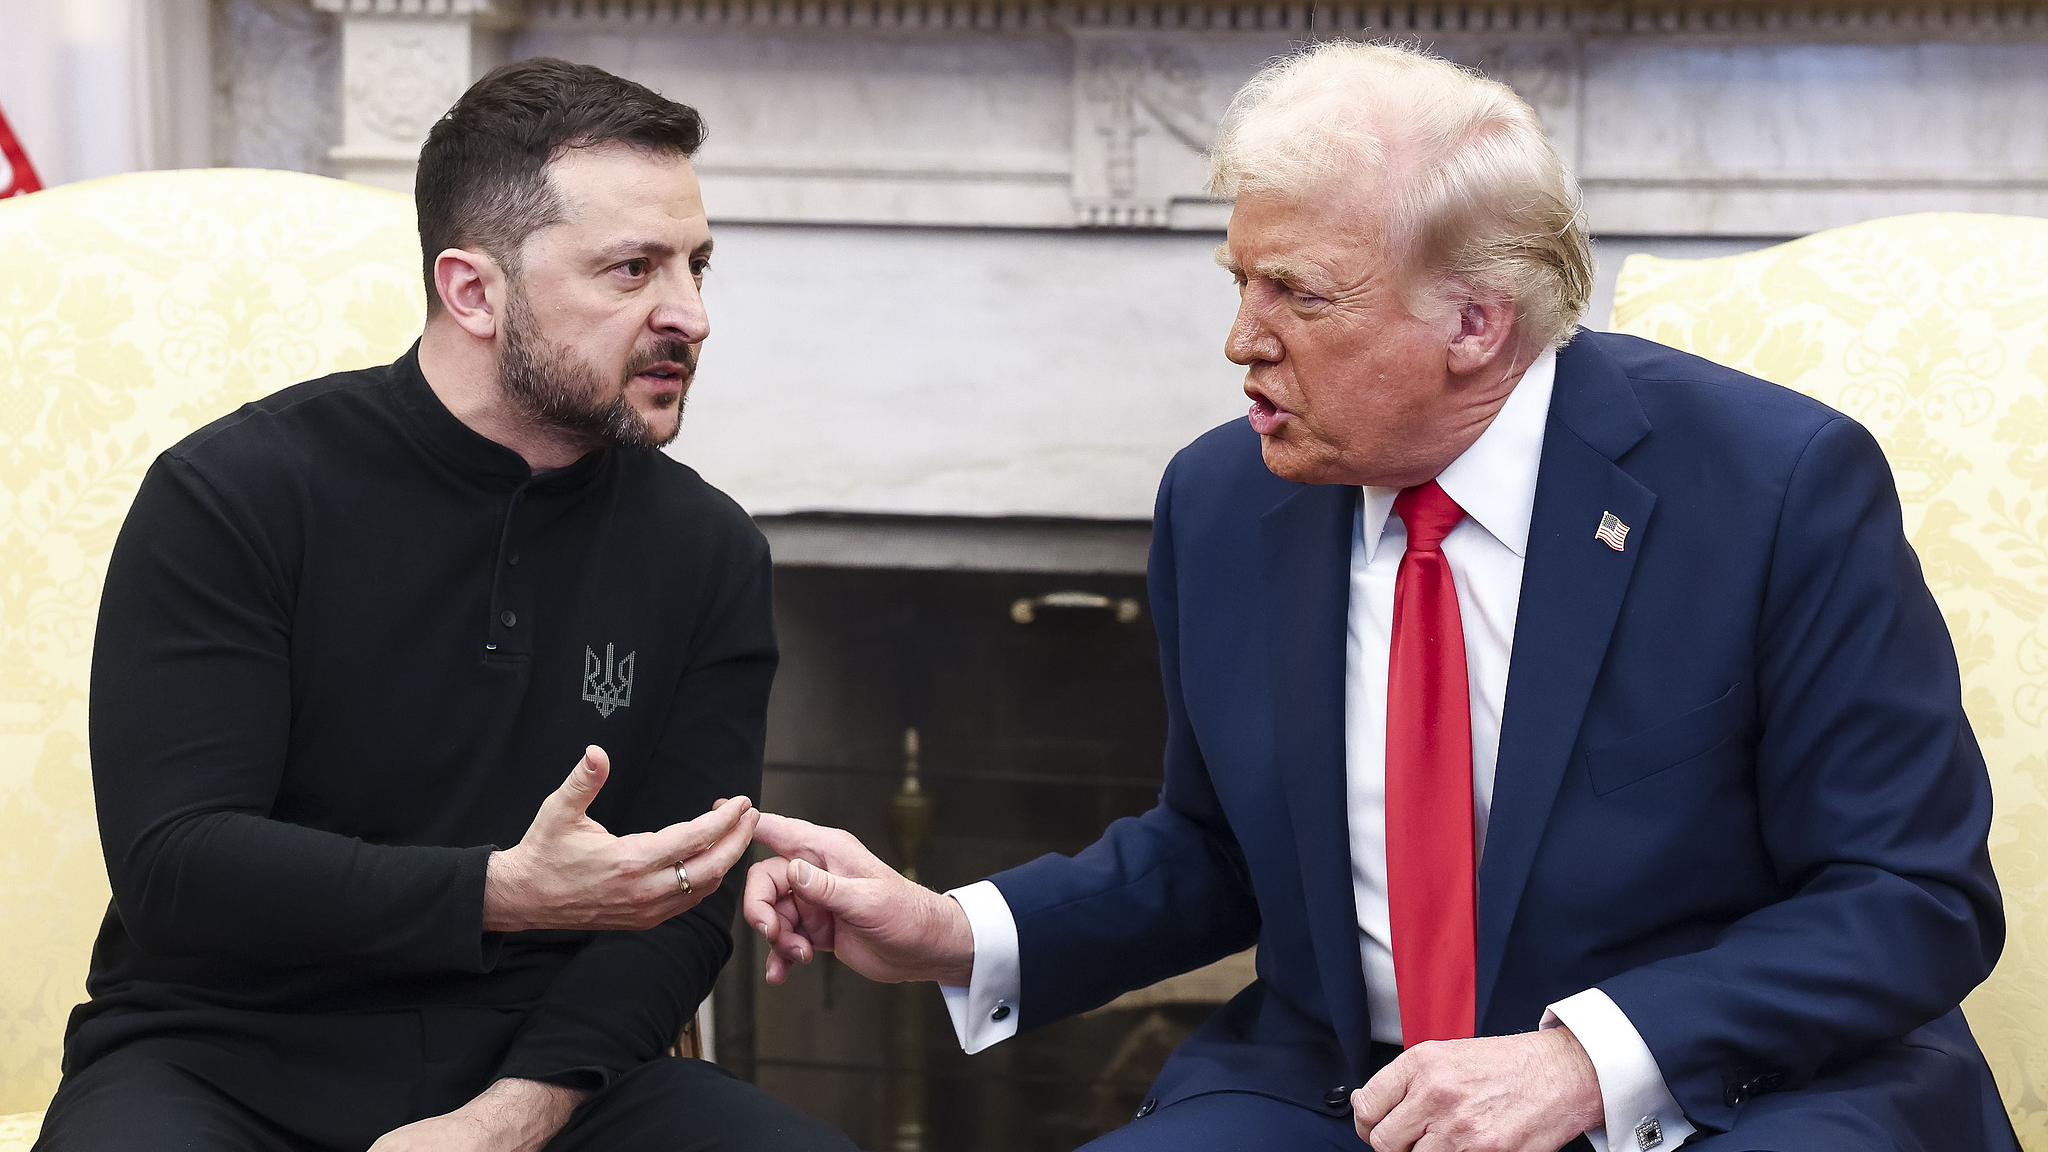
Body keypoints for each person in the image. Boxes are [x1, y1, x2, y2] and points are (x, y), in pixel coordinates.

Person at [743, 41, 2016, 1152]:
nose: (1241, 338)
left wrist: (1581, 1061)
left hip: (1725, 1094)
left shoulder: (1770, 486)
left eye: (1295, 292)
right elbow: (1216, 851)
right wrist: (953, 930)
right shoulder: (1224, 499)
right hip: (1345, 1095)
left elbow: (1910, 896)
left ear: (1474, 318)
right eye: (1237, 281)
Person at [38, 58, 854, 1152]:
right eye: (631, 270)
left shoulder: (706, 550)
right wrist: (499, 892)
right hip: (217, 1057)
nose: (691, 316)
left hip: (540, 1072)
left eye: (697, 266)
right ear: (472, 290)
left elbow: (679, 907)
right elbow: (177, 867)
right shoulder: (233, 494)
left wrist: (505, 1122)